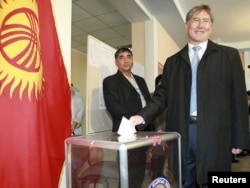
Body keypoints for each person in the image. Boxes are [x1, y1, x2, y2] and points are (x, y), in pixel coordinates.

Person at [129, 4, 249, 187]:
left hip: (216, 134)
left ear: (211, 27)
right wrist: (141, 116)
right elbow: (161, 96)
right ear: (186, 26)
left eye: (205, 21)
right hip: (182, 133)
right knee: (184, 181)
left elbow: (239, 100)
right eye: (196, 20)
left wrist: (239, 138)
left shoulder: (229, 56)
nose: (201, 25)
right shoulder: (173, 62)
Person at [102, 47, 151, 187]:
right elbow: (114, 107)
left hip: (143, 131)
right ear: (116, 62)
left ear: (132, 59)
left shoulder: (140, 80)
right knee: (127, 173)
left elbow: (148, 103)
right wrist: (136, 120)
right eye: (121, 57)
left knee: (140, 170)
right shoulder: (110, 81)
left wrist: (146, 120)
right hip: (126, 131)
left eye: (128, 56)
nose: (125, 60)